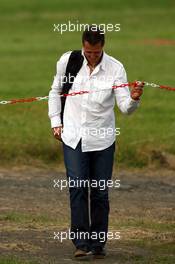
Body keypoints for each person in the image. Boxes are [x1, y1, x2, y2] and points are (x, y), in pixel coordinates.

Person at [48, 26, 143, 259]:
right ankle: (81, 243)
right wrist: (55, 122)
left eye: (96, 53)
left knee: (99, 192)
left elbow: (124, 108)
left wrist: (133, 99)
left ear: (103, 47)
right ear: (83, 46)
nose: (92, 57)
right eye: (88, 52)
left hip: (103, 140)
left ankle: (98, 243)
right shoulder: (68, 61)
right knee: (78, 187)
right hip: (73, 136)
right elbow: (55, 91)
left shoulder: (116, 68)